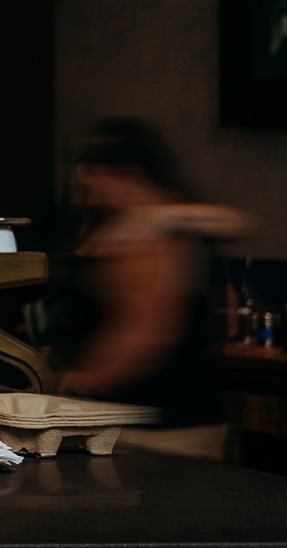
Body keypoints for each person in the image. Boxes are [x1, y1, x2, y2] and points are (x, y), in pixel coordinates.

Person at [53, 118, 242, 459]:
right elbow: (228, 315)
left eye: (94, 174)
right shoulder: (178, 221)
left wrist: (79, 383)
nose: (88, 190)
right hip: (182, 418)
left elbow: (146, 333)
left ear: (128, 172)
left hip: (153, 426)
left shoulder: (148, 235)